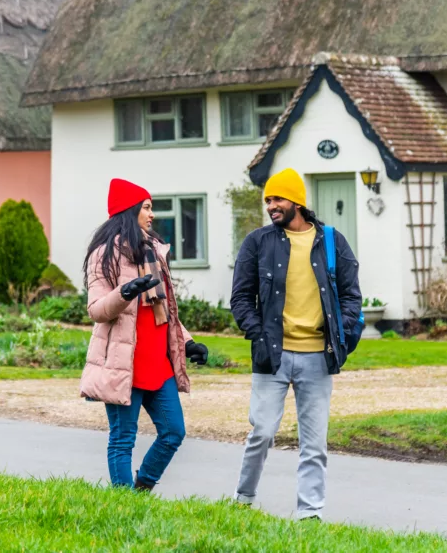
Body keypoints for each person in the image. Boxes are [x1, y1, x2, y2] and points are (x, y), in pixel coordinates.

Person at [230, 167, 362, 519]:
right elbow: (240, 297)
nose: (271, 206)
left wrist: (342, 330)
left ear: (298, 202)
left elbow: (351, 295)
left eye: (278, 199)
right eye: (268, 200)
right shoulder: (257, 242)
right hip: (271, 356)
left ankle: (310, 513)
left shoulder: (332, 242)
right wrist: (257, 334)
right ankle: (243, 499)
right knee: (262, 432)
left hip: (318, 357)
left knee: (314, 444)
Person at [81, 178, 209, 491]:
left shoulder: (154, 251)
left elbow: (164, 309)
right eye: (146, 207)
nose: (151, 214)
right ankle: (124, 503)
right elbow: (97, 309)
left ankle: (142, 488)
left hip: (157, 359)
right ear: (129, 210)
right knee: (123, 438)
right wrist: (124, 293)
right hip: (124, 361)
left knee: (173, 432)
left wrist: (188, 341)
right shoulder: (104, 255)